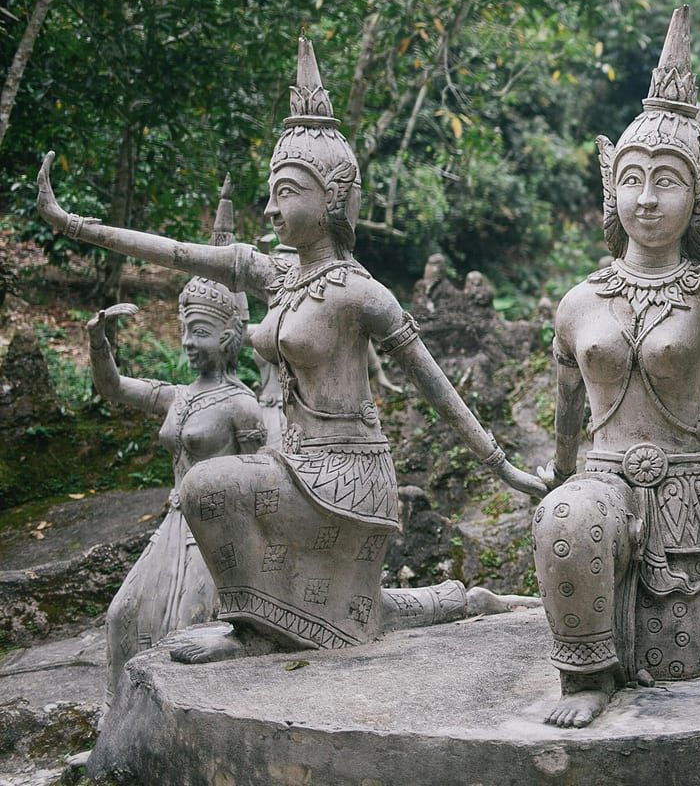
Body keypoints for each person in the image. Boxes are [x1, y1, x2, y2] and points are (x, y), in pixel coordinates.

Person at [37, 38, 546, 664]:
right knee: (345, 594)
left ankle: (254, 631)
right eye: (271, 193)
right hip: (292, 465)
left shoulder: (361, 293)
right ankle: (417, 606)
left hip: (349, 476)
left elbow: (435, 386)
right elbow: (175, 252)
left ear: (333, 199)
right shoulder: (278, 275)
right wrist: (76, 226)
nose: (272, 209)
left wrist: (504, 468)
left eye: (287, 192)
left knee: (209, 486)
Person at [535, 7, 700, 727]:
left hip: (682, 492)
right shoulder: (579, 301)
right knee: (566, 515)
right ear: (611, 189)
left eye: (667, 181)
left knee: (680, 667)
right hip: (601, 483)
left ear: (697, 198)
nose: (647, 198)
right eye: (632, 179)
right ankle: (587, 679)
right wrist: (558, 472)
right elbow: (567, 408)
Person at [92, 184, 263, 702]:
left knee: (188, 625)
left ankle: (191, 721)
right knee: (122, 615)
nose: (188, 343)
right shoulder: (177, 395)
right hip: (173, 526)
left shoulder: (242, 404)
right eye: (185, 332)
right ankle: (119, 718)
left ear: (227, 338)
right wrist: (98, 342)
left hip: (218, 534)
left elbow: (259, 480)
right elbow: (114, 388)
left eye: (200, 333)